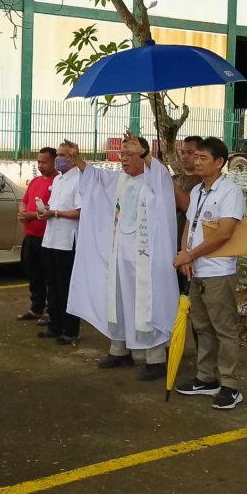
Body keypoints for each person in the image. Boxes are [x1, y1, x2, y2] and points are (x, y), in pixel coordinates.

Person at [66, 133, 180, 381]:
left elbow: (158, 171)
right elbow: (96, 179)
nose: (123, 160)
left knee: (146, 303)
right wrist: (78, 160)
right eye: (122, 155)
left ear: (143, 155)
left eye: (129, 155)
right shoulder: (121, 180)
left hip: (146, 258)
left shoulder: (155, 178)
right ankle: (120, 350)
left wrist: (145, 151)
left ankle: (156, 358)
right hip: (120, 252)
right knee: (117, 300)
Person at [172, 137, 246, 409]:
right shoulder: (198, 192)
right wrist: (184, 256)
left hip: (218, 270)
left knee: (224, 328)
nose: (197, 161)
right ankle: (206, 378)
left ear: (219, 163)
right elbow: (188, 227)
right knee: (202, 326)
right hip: (196, 268)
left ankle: (229, 384)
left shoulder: (230, 192)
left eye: (204, 158)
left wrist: (190, 254)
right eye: (196, 157)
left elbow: (225, 233)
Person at [36, 141, 83, 344]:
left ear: (72, 158)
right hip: (51, 239)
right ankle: (55, 326)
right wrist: (45, 210)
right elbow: (55, 206)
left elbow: (80, 212)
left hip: (67, 242)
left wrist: (54, 212)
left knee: (66, 287)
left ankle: (70, 329)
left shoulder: (79, 179)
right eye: (58, 155)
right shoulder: (59, 179)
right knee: (52, 286)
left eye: (63, 155)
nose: (58, 159)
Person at [16, 148, 56, 324]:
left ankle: (50, 311)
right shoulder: (34, 182)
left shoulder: (58, 183)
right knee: (33, 274)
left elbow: (52, 209)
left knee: (50, 276)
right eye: (38, 162)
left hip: (47, 238)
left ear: (54, 162)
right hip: (30, 236)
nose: (40, 165)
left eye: (44, 162)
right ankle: (36, 308)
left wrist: (31, 215)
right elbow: (24, 201)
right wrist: (23, 211)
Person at [173, 136, 204, 293]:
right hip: (172, 247)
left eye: (190, 152)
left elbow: (187, 206)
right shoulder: (176, 178)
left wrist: (169, 183)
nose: (185, 156)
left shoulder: (202, 182)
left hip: (192, 251)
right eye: (183, 152)